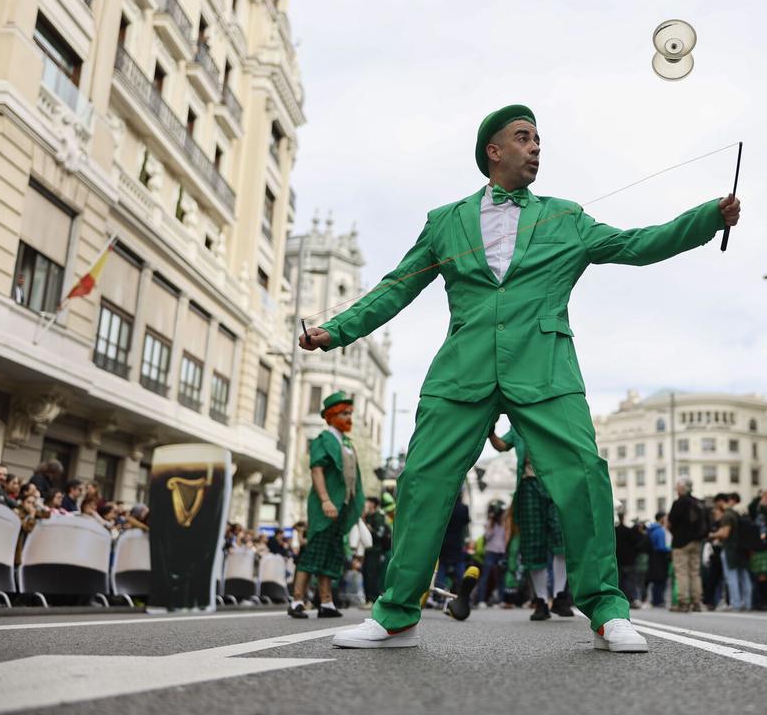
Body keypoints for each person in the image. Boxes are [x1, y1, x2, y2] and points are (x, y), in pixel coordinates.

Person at [304, 104, 739, 652]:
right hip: (461, 372)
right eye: (524, 137)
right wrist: (336, 330)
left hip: (548, 369)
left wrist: (707, 218)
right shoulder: (445, 220)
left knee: (584, 477)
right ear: (494, 151)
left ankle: (607, 611)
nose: (536, 146)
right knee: (420, 482)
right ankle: (395, 615)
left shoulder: (567, 215)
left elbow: (634, 244)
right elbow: (398, 286)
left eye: (538, 139)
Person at [288, 392, 365, 620]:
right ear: (331, 416)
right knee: (314, 552)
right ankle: (297, 600)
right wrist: (325, 500)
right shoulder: (324, 439)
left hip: (342, 506)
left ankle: (326, 602)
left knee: (332, 553)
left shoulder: (347, 443)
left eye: (350, 413)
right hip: (326, 505)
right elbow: (317, 470)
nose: (349, 417)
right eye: (344, 413)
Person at [490, 426, 572, 620]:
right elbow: (502, 445)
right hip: (528, 485)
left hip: (554, 482)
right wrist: (490, 432)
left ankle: (560, 596)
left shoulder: (551, 418)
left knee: (562, 537)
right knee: (533, 542)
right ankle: (541, 600)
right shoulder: (518, 426)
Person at [667, 477, 707, 613]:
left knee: (682, 572)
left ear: (681, 488)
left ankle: (683, 602)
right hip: (697, 542)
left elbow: (670, 522)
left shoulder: (679, 503)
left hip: (681, 542)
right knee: (695, 572)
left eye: (677, 487)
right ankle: (697, 602)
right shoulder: (698, 503)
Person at [710, 493, 755, 611]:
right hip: (742, 550)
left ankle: (736, 603)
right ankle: (748, 603)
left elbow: (725, 533)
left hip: (730, 549)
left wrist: (713, 534)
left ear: (720, 502)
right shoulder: (739, 514)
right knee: (744, 577)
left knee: (732, 578)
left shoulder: (727, 515)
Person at [473, 502, 508, 606]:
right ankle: (481, 600)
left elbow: (505, 538)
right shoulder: (490, 523)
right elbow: (487, 537)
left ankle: (501, 600)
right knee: (485, 576)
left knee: (501, 577)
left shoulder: (504, 524)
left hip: (501, 552)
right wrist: (491, 523)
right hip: (490, 551)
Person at [614, 506, 647, 608]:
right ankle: (631, 599)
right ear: (624, 517)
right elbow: (638, 543)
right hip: (629, 560)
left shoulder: (614, 530)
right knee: (630, 581)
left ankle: (619, 600)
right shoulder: (629, 531)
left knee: (618, 581)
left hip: (617, 559)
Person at [362, 497, 392, 603]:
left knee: (372, 574)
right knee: (366, 573)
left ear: (373, 504)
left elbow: (379, 534)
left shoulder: (379, 516)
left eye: (368, 502)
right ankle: (368, 598)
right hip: (367, 550)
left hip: (376, 550)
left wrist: (370, 529)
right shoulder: (366, 516)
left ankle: (373, 598)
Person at [644, 513, 671, 608]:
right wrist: (671, 549)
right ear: (661, 518)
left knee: (655, 580)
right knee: (660, 580)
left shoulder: (651, 529)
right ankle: (659, 601)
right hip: (660, 558)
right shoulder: (659, 530)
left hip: (652, 557)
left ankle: (655, 600)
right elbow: (660, 546)